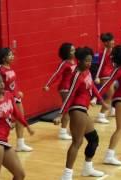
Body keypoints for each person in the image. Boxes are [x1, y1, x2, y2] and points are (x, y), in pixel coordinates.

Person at [60, 47, 106, 180]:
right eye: (86, 61)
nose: (89, 63)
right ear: (78, 61)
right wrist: (61, 113)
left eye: (90, 61)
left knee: (93, 139)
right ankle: (66, 175)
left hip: (83, 109)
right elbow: (70, 96)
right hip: (77, 109)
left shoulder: (87, 72)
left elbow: (92, 87)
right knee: (77, 142)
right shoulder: (77, 75)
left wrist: (101, 101)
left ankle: (87, 168)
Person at [0, 48, 33, 151]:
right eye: (10, 55)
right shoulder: (0, 68)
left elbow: (13, 83)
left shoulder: (9, 67)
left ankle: (20, 144)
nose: (12, 57)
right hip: (6, 98)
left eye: (12, 54)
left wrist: (18, 92)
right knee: (5, 122)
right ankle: (1, 143)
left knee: (20, 117)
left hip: (15, 97)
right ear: (3, 58)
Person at [43, 42, 77, 140]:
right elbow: (56, 74)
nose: (74, 52)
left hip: (72, 88)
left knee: (72, 110)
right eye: (72, 50)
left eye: (74, 49)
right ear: (66, 53)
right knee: (66, 109)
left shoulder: (74, 61)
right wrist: (48, 85)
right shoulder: (64, 63)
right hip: (65, 88)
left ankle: (70, 130)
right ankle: (62, 132)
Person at [95, 33, 116, 123]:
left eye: (113, 40)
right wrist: (97, 76)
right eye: (111, 41)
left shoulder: (112, 50)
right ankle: (101, 115)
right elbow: (100, 65)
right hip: (105, 75)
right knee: (109, 96)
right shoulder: (104, 52)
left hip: (111, 74)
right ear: (106, 43)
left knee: (112, 94)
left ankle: (112, 110)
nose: (113, 42)